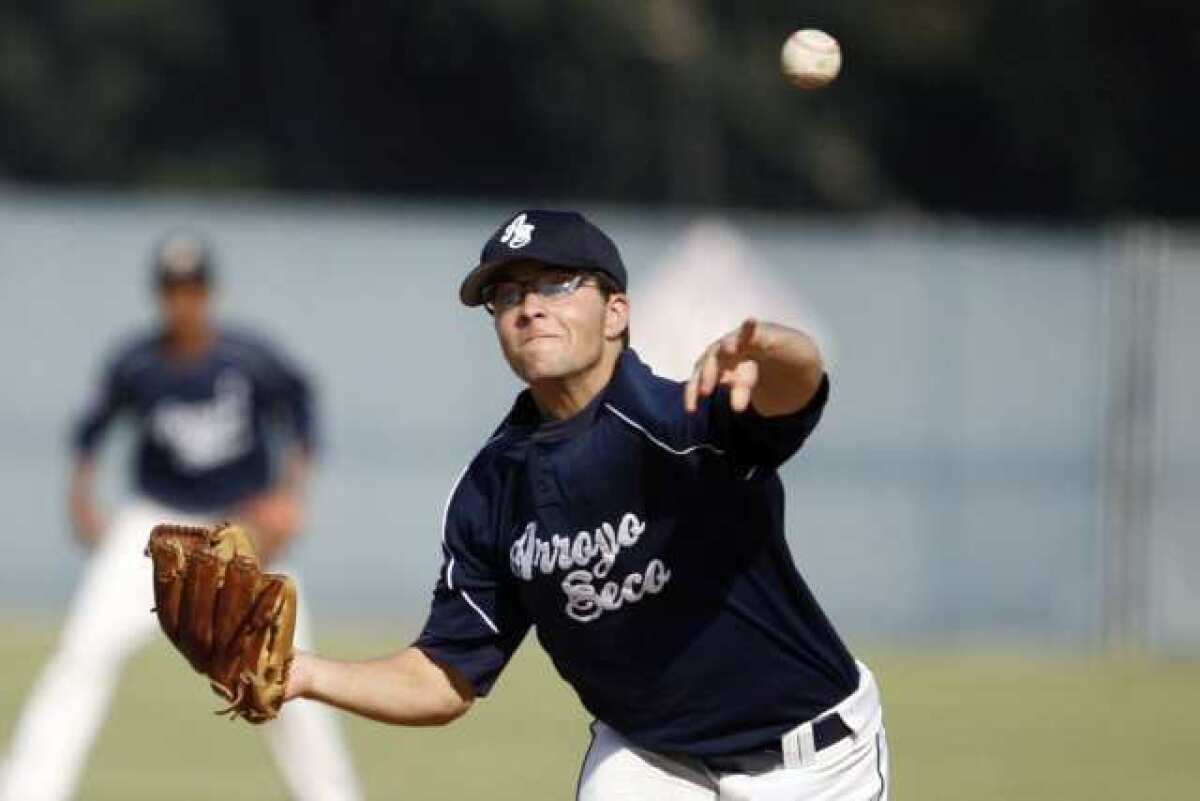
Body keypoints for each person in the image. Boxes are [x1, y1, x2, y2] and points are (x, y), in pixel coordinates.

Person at [284, 210, 889, 800]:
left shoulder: (681, 423)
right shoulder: (492, 488)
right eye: (507, 295)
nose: (530, 306)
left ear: (615, 312)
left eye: (556, 282)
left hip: (807, 759)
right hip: (649, 757)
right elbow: (445, 676)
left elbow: (795, 392)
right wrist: (306, 673)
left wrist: (772, 348)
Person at [0, 233, 363, 801]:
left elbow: (301, 409)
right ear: (159, 295)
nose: (182, 301)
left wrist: (291, 497)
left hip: (239, 530)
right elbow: (90, 434)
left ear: (211, 292)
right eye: (172, 289)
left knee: (284, 673)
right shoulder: (137, 362)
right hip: (154, 525)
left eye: (192, 288)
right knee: (83, 653)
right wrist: (80, 500)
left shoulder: (249, 358)